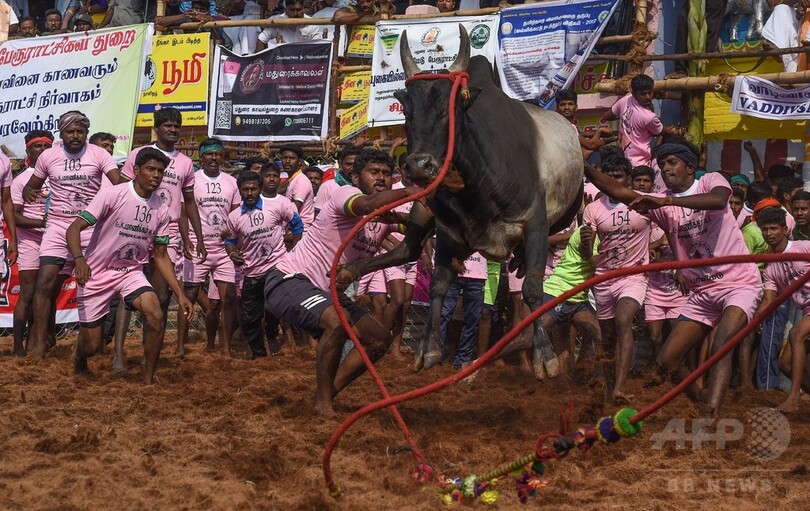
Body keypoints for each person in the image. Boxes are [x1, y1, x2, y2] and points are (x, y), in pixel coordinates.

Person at [584, 141, 762, 415]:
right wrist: (583, 166)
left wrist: (666, 200)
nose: (665, 167)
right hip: (701, 292)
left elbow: (717, 201)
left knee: (721, 344)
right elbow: (620, 191)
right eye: (662, 164)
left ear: (690, 167)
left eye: (672, 162)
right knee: (666, 360)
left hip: (738, 283)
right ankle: (703, 400)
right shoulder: (661, 204)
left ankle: (711, 414)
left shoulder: (709, 181)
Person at [264, 148, 417, 415]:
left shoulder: (385, 219)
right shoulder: (346, 195)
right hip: (289, 280)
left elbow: (414, 230)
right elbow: (368, 206)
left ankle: (326, 393)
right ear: (356, 177)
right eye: (373, 172)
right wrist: (412, 191)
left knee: (379, 338)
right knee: (335, 323)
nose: (381, 178)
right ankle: (324, 404)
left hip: (327, 292)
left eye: (386, 173)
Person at [66, 148, 193, 383]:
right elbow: (73, 229)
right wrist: (79, 259)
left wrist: (180, 294)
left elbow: (162, 256)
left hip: (130, 272)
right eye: (150, 169)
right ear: (136, 170)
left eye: (160, 171)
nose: (156, 175)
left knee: (155, 314)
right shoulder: (111, 195)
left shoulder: (162, 209)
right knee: (93, 346)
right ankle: (80, 355)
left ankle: (147, 381)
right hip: (97, 273)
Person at [114, 107, 206, 371]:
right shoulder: (137, 155)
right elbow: (121, 189)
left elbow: (189, 202)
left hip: (169, 233)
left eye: (177, 125)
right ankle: (118, 356)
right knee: (127, 294)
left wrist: (194, 238)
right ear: (157, 128)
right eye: (167, 125)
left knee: (162, 295)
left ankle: (148, 354)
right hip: (134, 230)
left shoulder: (186, 163)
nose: (173, 130)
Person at [23, 111, 121, 359]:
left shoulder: (99, 154)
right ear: (61, 134)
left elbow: (119, 185)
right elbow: (31, 186)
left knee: (92, 286)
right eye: (70, 131)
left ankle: (91, 345)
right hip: (56, 227)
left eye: (80, 131)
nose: (75, 135)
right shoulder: (49, 156)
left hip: (89, 227)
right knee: (45, 283)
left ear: (87, 133)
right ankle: (37, 343)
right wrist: (29, 193)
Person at [581, 155, 651, 404]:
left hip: (633, 277)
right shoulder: (593, 209)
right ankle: (610, 390)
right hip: (604, 279)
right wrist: (587, 245)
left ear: (627, 180)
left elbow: (668, 232)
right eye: (607, 178)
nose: (611, 182)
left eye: (618, 177)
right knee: (607, 337)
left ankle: (620, 387)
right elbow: (587, 256)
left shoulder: (641, 203)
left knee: (624, 320)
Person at [225, 170, 303, 358]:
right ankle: (259, 357)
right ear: (240, 191)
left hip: (276, 266)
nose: (249, 193)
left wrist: (295, 250)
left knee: (273, 306)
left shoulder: (277, 206)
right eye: (245, 190)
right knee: (250, 318)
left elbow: (297, 224)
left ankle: (272, 333)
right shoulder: (234, 217)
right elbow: (230, 241)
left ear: (259, 189)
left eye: (253, 189)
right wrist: (233, 253)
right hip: (251, 272)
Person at [176, 138, 240, 357]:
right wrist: (186, 241)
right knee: (190, 295)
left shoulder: (231, 182)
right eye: (209, 154)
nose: (214, 158)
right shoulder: (192, 179)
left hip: (223, 250)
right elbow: (183, 213)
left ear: (223, 157)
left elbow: (236, 213)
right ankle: (180, 347)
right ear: (201, 157)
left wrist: (232, 233)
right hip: (198, 247)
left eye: (218, 154)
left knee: (227, 299)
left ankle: (225, 347)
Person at [756, 206, 810, 413]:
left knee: (796, 333)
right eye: (765, 229)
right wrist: (753, 320)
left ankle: (794, 398)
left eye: (773, 229)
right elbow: (768, 300)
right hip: (805, 311)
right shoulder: (770, 268)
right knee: (784, 365)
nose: (769, 234)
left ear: (785, 229)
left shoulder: (803, 247)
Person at [10, 131, 53, 356]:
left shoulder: (58, 176)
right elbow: (14, 216)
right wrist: (42, 222)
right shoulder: (21, 180)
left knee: (47, 292)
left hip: (54, 240)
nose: (44, 151)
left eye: (48, 146)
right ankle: (18, 346)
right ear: (28, 151)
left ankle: (40, 341)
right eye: (38, 147)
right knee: (27, 293)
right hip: (30, 241)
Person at [603, 75, 683, 168]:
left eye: (650, 92)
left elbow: (607, 116)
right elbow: (664, 132)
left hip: (624, 161)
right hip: (640, 163)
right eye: (643, 94)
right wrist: (677, 130)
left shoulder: (625, 100)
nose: (648, 97)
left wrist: (624, 116)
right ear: (634, 93)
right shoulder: (649, 117)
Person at [555, 90, 618, 157]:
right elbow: (589, 145)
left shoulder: (571, 127)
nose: (567, 107)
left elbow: (585, 154)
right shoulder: (559, 126)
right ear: (557, 109)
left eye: (570, 104)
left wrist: (599, 131)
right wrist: (610, 139)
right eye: (563, 104)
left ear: (576, 108)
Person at [255, 0, 323, 51]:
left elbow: (319, 46)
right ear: (286, 10)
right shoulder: (278, 21)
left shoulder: (311, 23)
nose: (296, 14)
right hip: (282, 63)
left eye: (298, 10)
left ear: (303, 9)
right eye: (292, 10)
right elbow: (261, 39)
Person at [278, 145, 315, 228]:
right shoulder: (291, 179)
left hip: (301, 231)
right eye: (284, 158)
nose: (287, 161)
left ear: (300, 161)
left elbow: (293, 209)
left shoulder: (301, 181)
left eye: (291, 158)